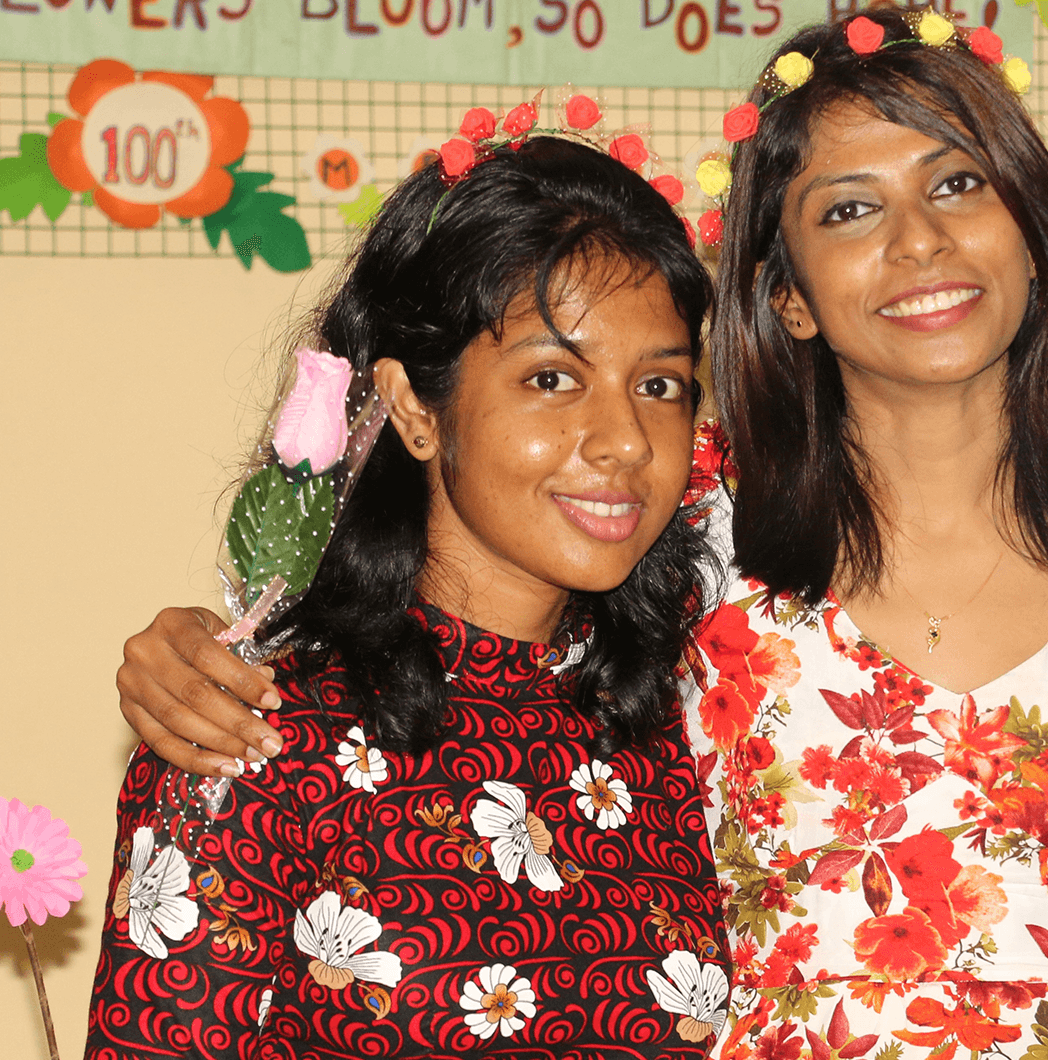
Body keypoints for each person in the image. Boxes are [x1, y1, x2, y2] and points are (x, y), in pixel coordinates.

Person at [114, 8, 1048, 1058]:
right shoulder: (703, 519)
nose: (920, 243)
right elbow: (466, 514)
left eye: (958, 182)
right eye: (851, 209)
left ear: (1035, 220)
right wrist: (201, 650)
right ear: (783, 292)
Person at [86, 133, 733, 1058]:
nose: (625, 439)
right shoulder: (249, 736)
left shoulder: (677, 730)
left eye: (661, 384)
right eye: (553, 379)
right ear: (416, 407)